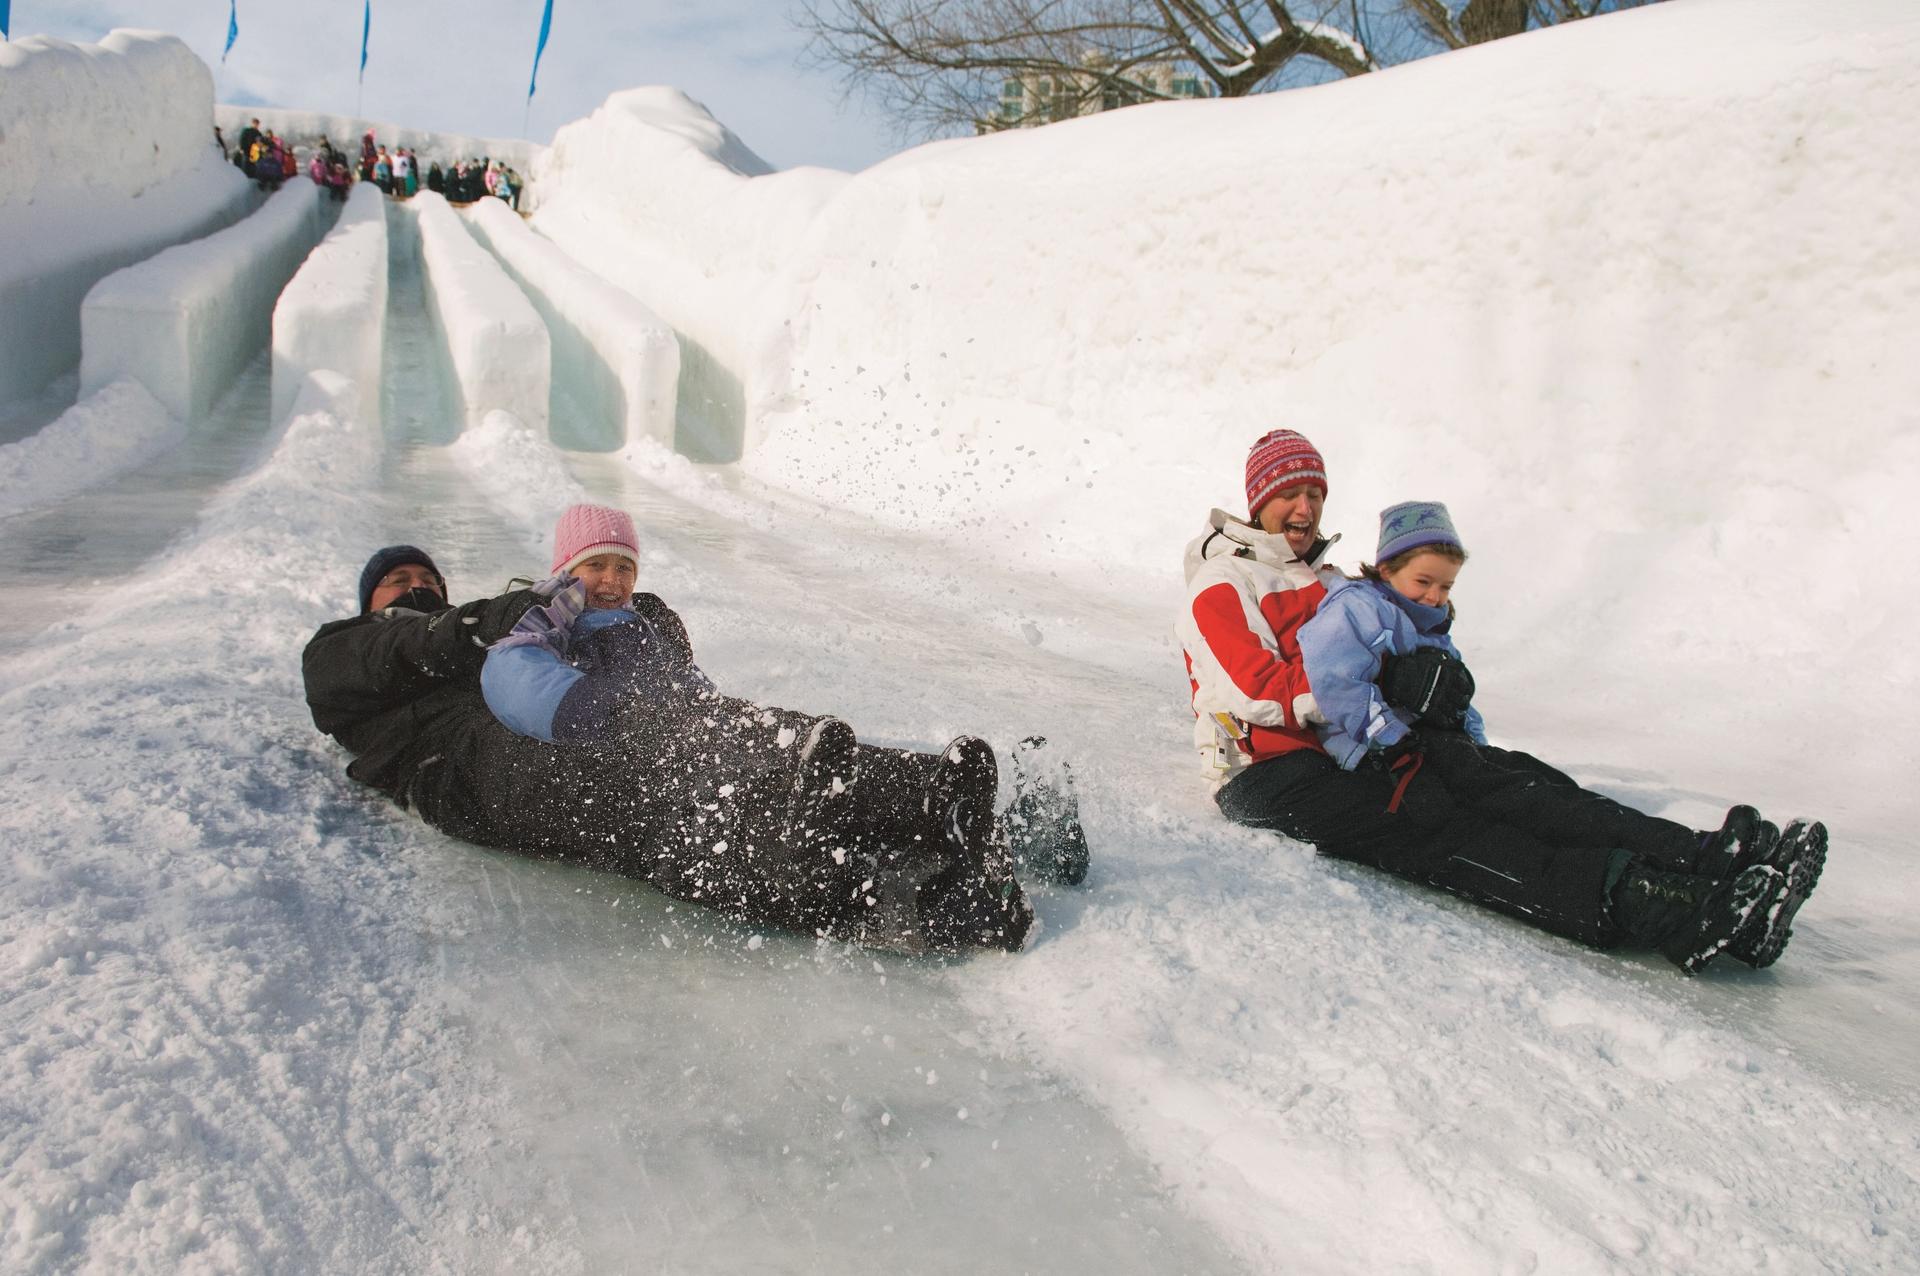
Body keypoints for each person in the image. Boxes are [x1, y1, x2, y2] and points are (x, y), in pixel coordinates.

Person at [1175, 431, 1826, 975]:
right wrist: (1384, 689)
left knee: (1521, 785)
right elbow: (1255, 687)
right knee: (1437, 825)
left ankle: (1708, 862)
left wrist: (1452, 723)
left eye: (1314, 492)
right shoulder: (1222, 582)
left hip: (1363, 748)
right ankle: (1663, 906)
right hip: (1269, 774)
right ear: (1259, 499)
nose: (1303, 507)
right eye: (1288, 492)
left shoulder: (1334, 582)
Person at [303, 516, 1062, 956]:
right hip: (472, 772)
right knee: (657, 812)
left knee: (694, 754)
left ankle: (935, 799)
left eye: (425, 578)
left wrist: (630, 626)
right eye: (398, 583)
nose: (417, 587)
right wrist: (474, 622)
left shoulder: (491, 645)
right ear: (371, 601)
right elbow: (397, 649)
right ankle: (910, 898)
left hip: (538, 731)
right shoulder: (347, 653)